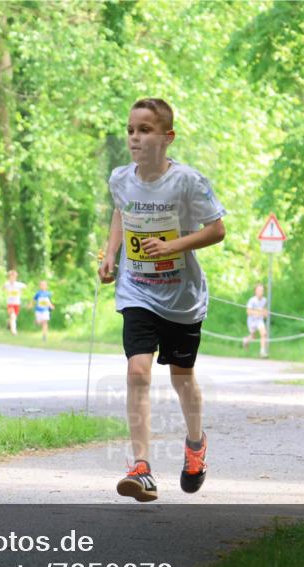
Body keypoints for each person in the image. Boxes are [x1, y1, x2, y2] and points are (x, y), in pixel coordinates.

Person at [98, 97, 226, 502]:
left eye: (145, 130)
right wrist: (110, 253)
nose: (135, 138)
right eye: (131, 130)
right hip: (137, 289)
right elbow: (121, 211)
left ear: (167, 138)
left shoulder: (188, 181)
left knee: (181, 379)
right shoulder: (121, 178)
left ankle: (195, 445)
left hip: (182, 298)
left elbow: (217, 229)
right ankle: (141, 467)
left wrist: (173, 247)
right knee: (138, 372)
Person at [242, 283, 269, 358]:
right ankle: (245, 340)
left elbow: (265, 310)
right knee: (253, 337)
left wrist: (265, 313)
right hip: (252, 321)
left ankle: (262, 352)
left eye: (262, 290)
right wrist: (258, 312)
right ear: (256, 291)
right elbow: (248, 311)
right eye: (259, 290)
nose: (261, 292)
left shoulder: (264, 300)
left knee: (264, 334)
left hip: (259, 321)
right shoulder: (252, 300)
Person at [3, 269, 26, 335]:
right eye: (11, 276)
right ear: (9, 277)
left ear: (16, 277)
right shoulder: (7, 284)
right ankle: (14, 331)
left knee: (13, 317)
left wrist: (21, 292)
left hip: (17, 303)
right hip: (10, 303)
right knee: (13, 316)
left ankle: (8, 323)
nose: (12, 278)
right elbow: (3, 288)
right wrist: (6, 291)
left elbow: (25, 287)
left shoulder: (18, 284)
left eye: (14, 276)